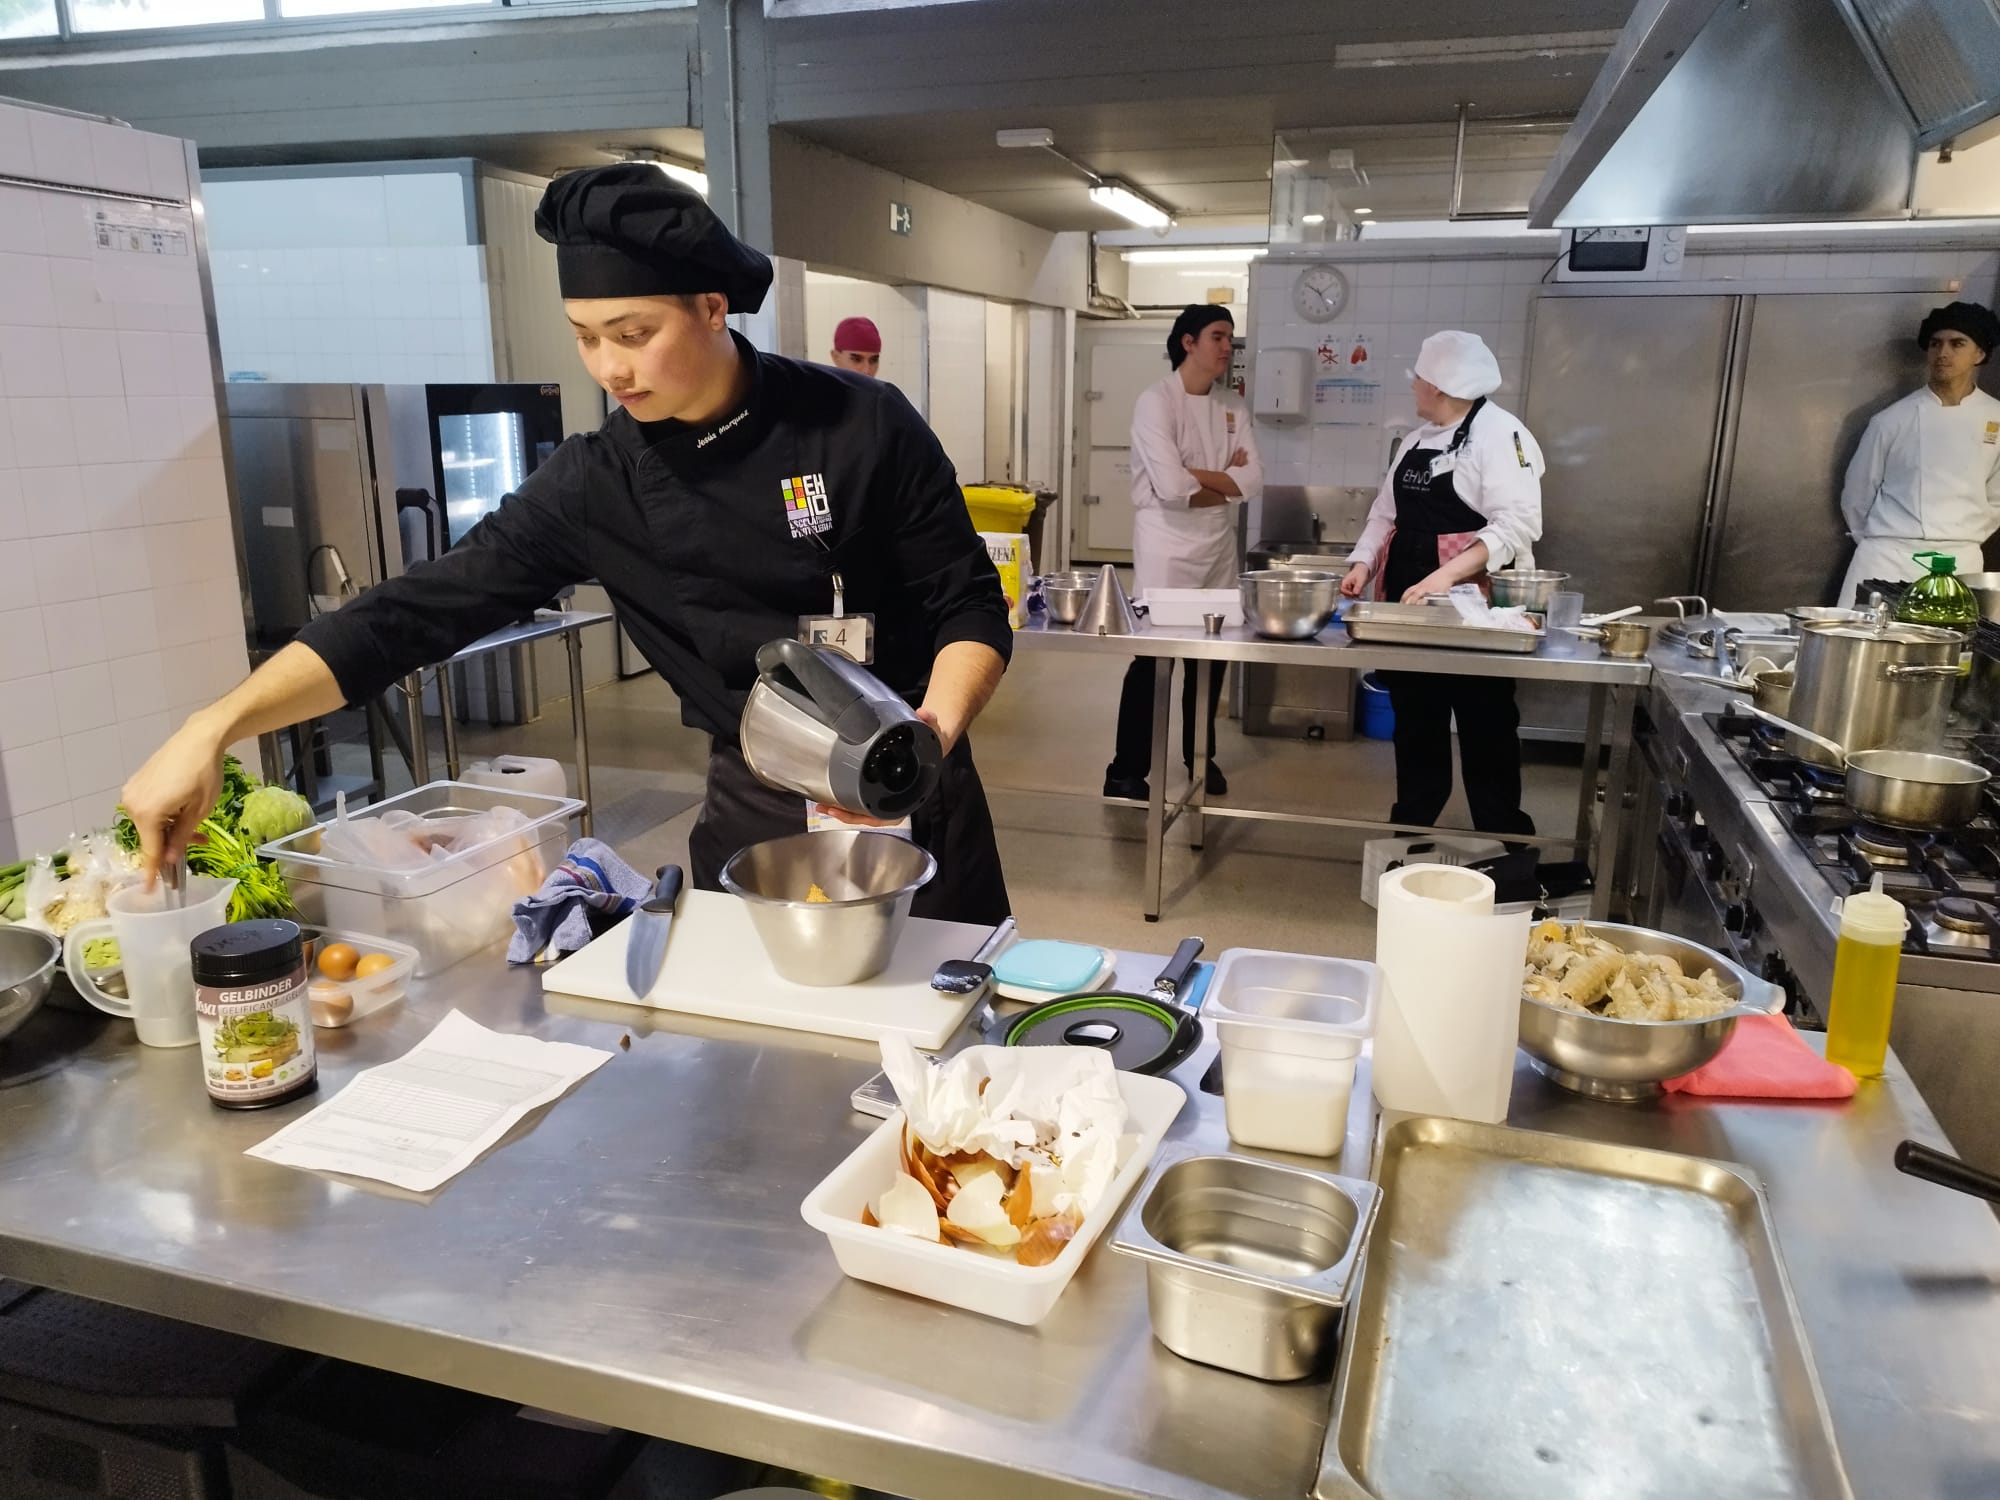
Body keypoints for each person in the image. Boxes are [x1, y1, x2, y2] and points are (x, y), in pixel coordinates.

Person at [121, 165, 1014, 925]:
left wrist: (926, 737)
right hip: (761, 807)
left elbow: (968, 604)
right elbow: (410, 615)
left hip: (912, 773)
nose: (609, 368)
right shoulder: (598, 485)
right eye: (586, 338)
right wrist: (215, 726)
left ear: (712, 307)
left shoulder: (862, 423)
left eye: (634, 335)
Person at [1339, 330, 1544, 837]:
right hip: (1410, 606)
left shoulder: (1502, 434)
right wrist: (1362, 563)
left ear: (1441, 386)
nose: (1414, 386)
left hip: (1475, 609)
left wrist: (1444, 576)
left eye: (1420, 378)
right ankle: (1411, 831)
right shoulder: (1415, 440)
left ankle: (1504, 838)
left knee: (1486, 723)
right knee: (1415, 720)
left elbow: (1517, 525)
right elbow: (1383, 514)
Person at [1103, 304, 1262, 801]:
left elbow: (1253, 480)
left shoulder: (1232, 407)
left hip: (1216, 545)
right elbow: (1171, 489)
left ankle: (1200, 756)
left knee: (1209, 657)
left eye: (1230, 338)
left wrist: (1200, 479)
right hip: (1166, 544)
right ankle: (1126, 770)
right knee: (1154, 658)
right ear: (1188, 342)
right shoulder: (1156, 402)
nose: (1227, 347)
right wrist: (1225, 482)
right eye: (1217, 336)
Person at [1837, 300, 2000, 606]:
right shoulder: (1891, 420)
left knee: (1949, 639)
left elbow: (1997, 499)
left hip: (1959, 561)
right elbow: (1857, 493)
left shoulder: (1996, 419)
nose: (1943, 353)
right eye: (1936, 344)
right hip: (1886, 557)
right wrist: (1881, 539)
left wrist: (1962, 535)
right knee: (1861, 635)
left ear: (1979, 354)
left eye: (1957, 344)